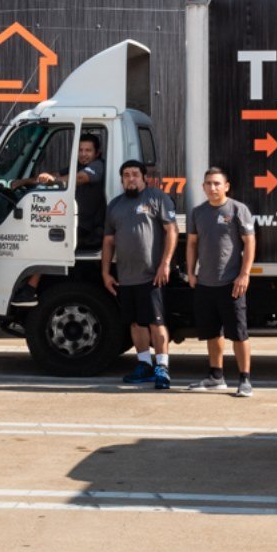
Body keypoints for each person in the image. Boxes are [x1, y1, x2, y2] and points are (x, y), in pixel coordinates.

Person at [102, 160, 178, 389]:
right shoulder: (115, 205)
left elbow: (171, 231)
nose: (131, 178)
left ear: (144, 177)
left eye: (135, 174)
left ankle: (162, 368)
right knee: (135, 324)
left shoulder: (157, 198)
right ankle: (144, 365)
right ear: (121, 180)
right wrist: (105, 272)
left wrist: (165, 264)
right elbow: (108, 241)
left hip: (152, 275)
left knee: (156, 323)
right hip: (125, 277)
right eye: (126, 175)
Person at [10, 133, 107, 307]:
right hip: (71, 222)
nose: (83, 154)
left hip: (87, 227)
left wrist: (53, 180)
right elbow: (52, 176)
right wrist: (24, 182)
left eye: (88, 150)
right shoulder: (76, 166)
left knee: (47, 241)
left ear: (97, 152)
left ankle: (29, 289)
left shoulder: (98, 166)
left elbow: (80, 178)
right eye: (80, 150)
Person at [186, 167, 256, 397]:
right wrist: (191, 273)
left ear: (226, 186)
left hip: (231, 283)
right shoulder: (197, 212)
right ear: (203, 187)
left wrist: (244, 274)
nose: (212, 187)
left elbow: (250, 243)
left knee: (238, 333)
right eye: (208, 183)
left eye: (217, 183)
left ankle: (245, 379)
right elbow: (192, 244)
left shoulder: (237, 209)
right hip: (205, 283)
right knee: (212, 333)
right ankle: (216, 377)